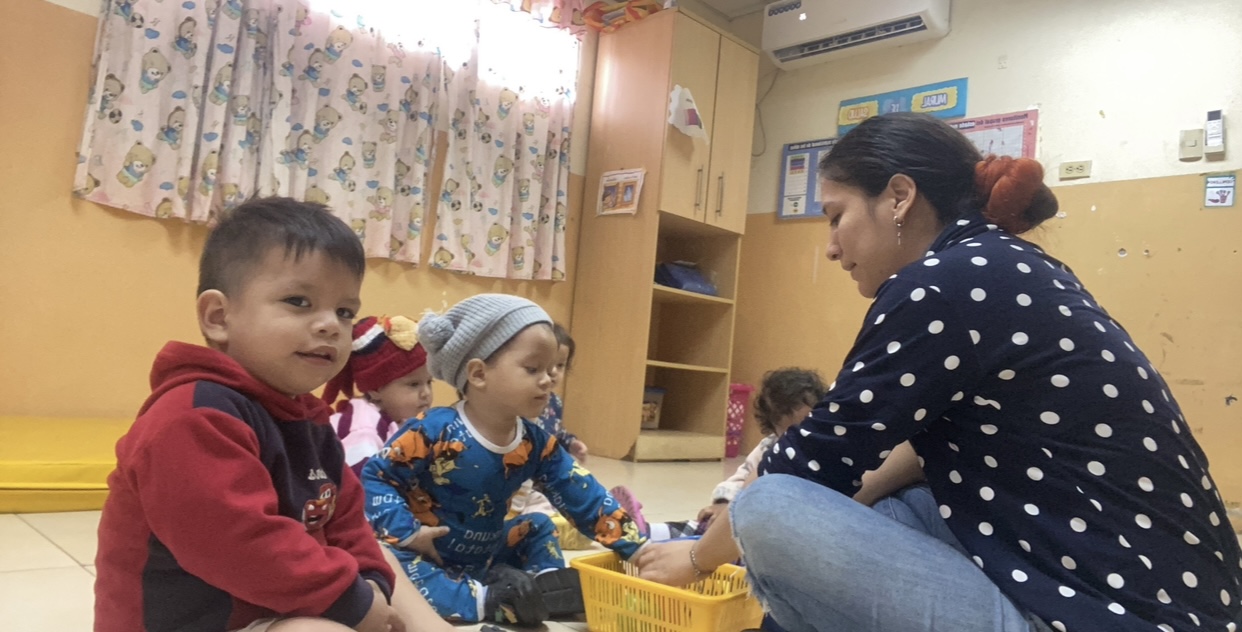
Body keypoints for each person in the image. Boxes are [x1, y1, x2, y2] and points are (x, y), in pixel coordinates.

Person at [635, 113, 1242, 632]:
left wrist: (697, 558)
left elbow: (809, 463)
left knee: (770, 508)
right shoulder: (1007, 265)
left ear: (899, 197)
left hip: (1105, 612)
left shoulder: (940, 286)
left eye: (836, 216)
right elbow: (908, 455)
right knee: (895, 507)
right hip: (1170, 600)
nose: (831, 246)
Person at [94, 198, 446, 632]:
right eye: (299, 301)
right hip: (202, 622)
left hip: (279, 607)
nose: (330, 325)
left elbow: (347, 521)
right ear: (219, 317)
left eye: (344, 311)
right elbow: (238, 544)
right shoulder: (192, 416)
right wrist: (350, 601)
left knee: (382, 562)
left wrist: (370, 583)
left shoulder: (309, 420)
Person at [361, 294, 647, 626]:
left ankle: (546, 588)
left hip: (489, 550)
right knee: (389, 562)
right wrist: (408, 533)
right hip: (428, 553)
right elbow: (375, 477)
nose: (548, 379)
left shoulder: (535, 442)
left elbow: (581, 493)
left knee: (537, 525)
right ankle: (489, 601)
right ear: (479, 374)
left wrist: (637, 548)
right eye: (533, 368)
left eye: (551, 368)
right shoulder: (432, 430)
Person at [322, 314, 434, 477]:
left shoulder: (399, 420)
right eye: (413, 384)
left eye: (429, 382)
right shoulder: (364, 430)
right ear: (374, 390)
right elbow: (363, 485)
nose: (426, 393)